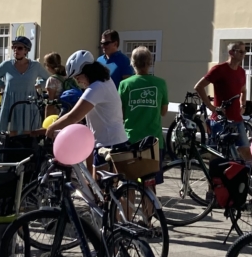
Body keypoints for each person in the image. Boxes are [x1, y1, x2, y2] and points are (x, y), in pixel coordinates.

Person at [48, 51, 129, 152]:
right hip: (108, 142)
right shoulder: (105, 81)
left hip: (109, 144)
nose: (77, 81)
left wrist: (51, 128)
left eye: (77, 77)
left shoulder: (97, 87)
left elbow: (73, 116)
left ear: (88, 72)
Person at [118, 46, 168, 188]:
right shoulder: (160, 83)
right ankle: (150, 210)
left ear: (132, 63)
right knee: (149, 185)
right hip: (154, 142)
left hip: (130, 139)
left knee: (129, 186)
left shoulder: (124, 85)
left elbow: (120, 114)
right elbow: (163, 112)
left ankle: (128, 210)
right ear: (150, 63)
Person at [194, 42, 249, 147]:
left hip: (237, 119)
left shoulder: (242, 72)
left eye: (244, 51)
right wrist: (210, 106)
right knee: (218, 154)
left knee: (245, 151)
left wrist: (243, 105)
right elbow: (199, 86)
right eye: (240, 51)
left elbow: (243, 90)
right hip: (220, 120)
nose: (243, 54)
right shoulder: (219, 69)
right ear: (231, 52)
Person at [0, 36, 48, 134]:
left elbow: (48, 78)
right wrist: (3, 85)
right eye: (14, 47)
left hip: (28, 102)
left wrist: (37, 85)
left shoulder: (35, 66)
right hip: (11, 100)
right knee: (12, 132)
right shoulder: (7, 65)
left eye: (20, 48)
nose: (16, 50)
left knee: (29, 132)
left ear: (26, 51)